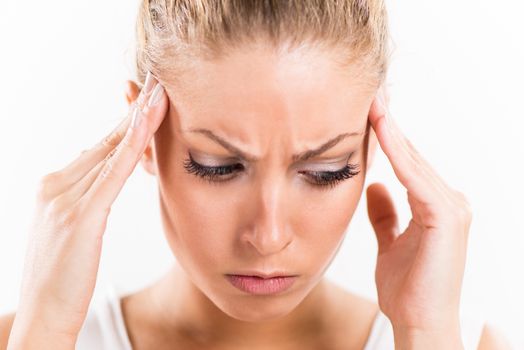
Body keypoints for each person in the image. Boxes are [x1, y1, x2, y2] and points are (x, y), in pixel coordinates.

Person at [0, 1, 512, 349]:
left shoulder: (460, 342)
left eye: (325, 170)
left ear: (373, 140)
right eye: (219, 167)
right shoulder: (28, 337)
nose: (268, 238)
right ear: (146, 136)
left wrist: (423, 334)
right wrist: (43, 330)